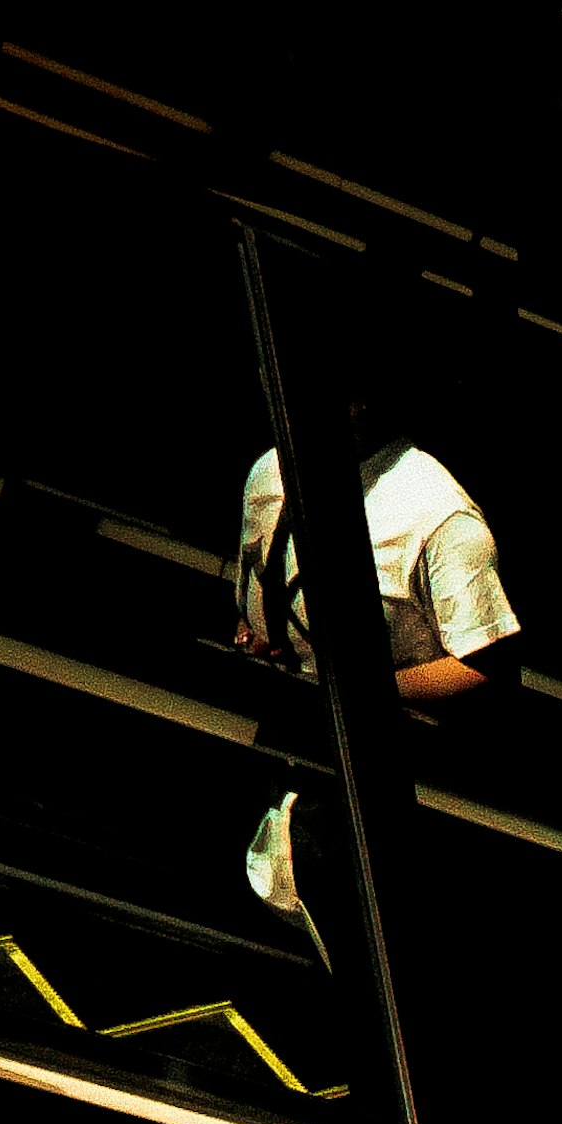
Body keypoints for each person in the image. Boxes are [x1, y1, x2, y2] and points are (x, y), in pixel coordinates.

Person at [227, 342, 521, 975]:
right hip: (282, 747)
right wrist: (259, 634)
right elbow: (259, 590)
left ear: (356, 400)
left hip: (374, 782)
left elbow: (487, 664)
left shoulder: (436, 516)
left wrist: (360, 691)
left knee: (361, 964)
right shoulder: (269, 473)